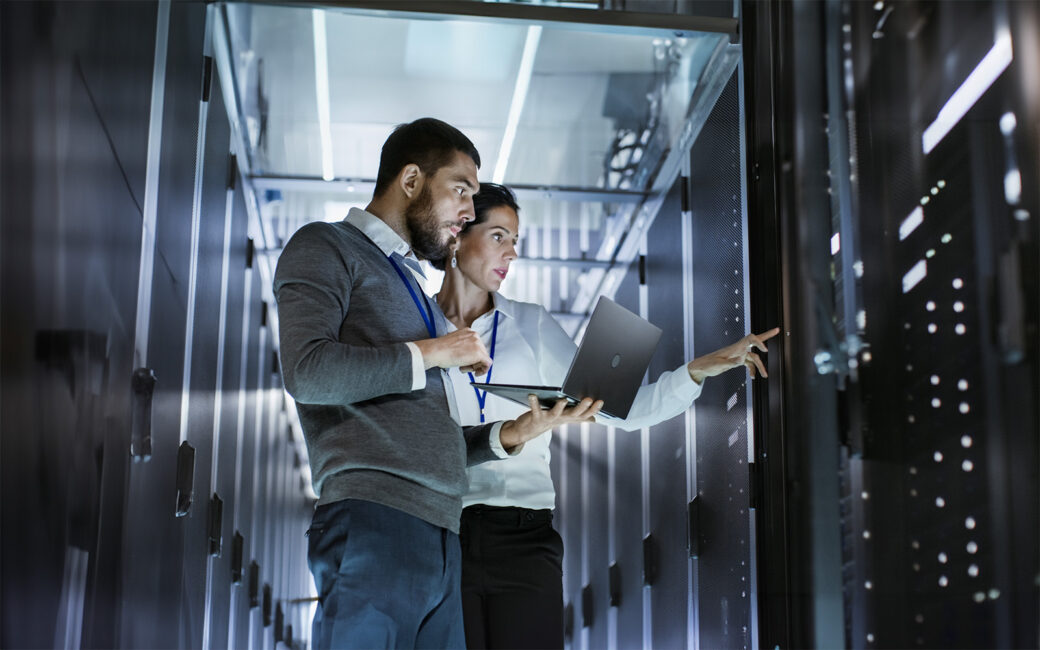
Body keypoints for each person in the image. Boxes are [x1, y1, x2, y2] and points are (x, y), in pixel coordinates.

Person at [274, 120, 602, 650]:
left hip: (443, 536)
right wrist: (437, 350)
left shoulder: (414, 292)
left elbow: (430, 433)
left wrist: (513, 434)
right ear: (410, 180)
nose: (470, 211)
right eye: (462, 190)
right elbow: (308, 372)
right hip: (373, 520)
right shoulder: (325, 245)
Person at [432, 182, 780, 650]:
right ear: (457, 237)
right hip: (440, 534)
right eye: (498, 236)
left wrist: (697, 370)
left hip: (524, 537)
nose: (511, 253)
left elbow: (622, 411)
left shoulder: (530, 324)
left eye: (515, 241)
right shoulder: (418, 330)